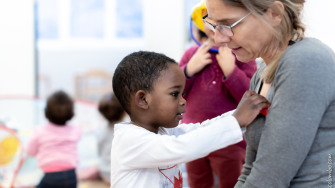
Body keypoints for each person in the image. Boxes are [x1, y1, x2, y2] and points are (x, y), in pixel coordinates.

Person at [204, 0, 335, 187]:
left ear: (274, 13)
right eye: (214, 26)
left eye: (229, 25)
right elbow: (250, 169)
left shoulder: (306, 60)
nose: (219, 38)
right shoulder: (261, 74)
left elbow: (268, 178)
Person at [110, 51, 269, 188]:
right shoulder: (129, 140)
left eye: (182, 94)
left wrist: (236, 116)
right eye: (174, 94)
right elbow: (184, 146)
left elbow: (200, 129)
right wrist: (235, 121)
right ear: (143, 99)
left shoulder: (164, 133)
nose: (183, 101)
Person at [180, 1, 257, 187]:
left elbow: (249, 97)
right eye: (209, 20)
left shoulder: (242, 54)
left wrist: (231, 71)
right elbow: (175, 91)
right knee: (197, 181)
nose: (213, 25)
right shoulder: (191, 54)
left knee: (231, 181)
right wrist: (189, 69)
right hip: (194, 135)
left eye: (220, 21)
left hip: (229, 138)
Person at [26, 90, 81, 188]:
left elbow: (30, 151)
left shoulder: (39, 131)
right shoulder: (75, 130)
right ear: (71, 112)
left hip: (50, 177)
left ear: (46, 112)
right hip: (71, 176)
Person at [96, 92, 127, 184]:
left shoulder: (100, 131)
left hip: (106, 174)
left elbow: (100, 152)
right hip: (122, 176)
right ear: (125, 112)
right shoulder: (128, 130)